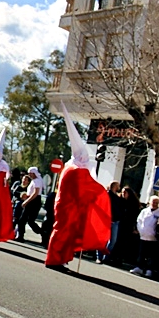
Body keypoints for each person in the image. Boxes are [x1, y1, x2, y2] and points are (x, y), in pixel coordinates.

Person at [44, 105, 111, 270]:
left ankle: (61, 258)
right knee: (62, 232)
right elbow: (87, 186)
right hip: (68, 207)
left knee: (67, 233)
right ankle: (54, 259)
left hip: (69, 206)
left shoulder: (69, 168)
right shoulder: (74, 170)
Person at [131, 195, 159, 277]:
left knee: (151, 255)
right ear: (150, 202)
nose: (155, 204)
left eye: (156, 203)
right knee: (141, 253)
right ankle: (139, 267)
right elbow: (139, 221)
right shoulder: (144, 211)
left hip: (153, 238)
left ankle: (149, 270)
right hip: (143, 236)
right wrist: (140, 230)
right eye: (153, 202)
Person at [97, 181, 123, 264]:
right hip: (107, 220)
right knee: (103, 240)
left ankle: (106, 256)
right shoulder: (107, 194)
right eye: (118, 186)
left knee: (113, 241)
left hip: (115, 221)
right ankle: (99, 257)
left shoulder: (117, 197)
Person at [16, 167, 45, 242]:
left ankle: (42, 233)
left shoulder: (37, 181)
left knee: (25, 220)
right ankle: (21, 235)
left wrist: (26, 201)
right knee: (28, 220)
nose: (29, 175)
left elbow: (35, 193)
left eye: (30, 173)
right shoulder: (35, 181)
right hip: (33, 200)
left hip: (33, 201)